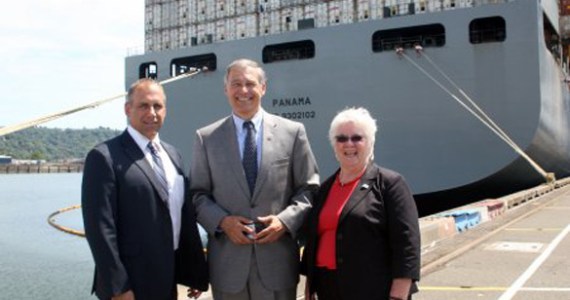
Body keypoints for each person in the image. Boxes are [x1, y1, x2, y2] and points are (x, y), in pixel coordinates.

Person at [190, 58, 319, 300]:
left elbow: (309, 189)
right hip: (228, 268)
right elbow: (197, 195)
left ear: (263, 88)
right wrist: (222, 222)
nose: (243, 91)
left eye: (250, 83)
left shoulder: (293, 133)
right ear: (225, 89)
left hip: (277, 265)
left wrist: (285, 221)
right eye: (235, 84)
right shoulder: (206, 138)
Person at [82, 78, 208, 300]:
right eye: (143, 106)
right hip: (130, 283)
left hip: (167, 278)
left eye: (157, 106)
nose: (152, 112)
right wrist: (119, 287)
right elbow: (100, 229)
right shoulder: (104, 157)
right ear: (127, 109)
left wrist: (193, 271)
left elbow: (182, 216)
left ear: (165, 110)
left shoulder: (173, 155)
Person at [301, 107, 421, 300]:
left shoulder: (390, 184)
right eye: (341, 138)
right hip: (327, 287)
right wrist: (310, 287)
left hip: (373, 288)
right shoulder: (324, 189)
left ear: (370, 142)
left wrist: (398, 295)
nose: (349, 144)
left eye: (357, 138)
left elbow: (407, 244)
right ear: (334, 144)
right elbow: (315, 241)